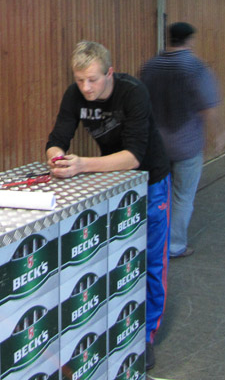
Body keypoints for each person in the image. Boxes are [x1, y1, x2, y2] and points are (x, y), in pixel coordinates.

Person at [45, 41, 171, 370]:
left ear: (109, 73)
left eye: (93, 80)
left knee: (152, 261)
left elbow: (133, 157)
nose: (86, 88)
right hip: (113, 184)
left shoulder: (133, 92)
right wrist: (56, 158)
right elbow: (57, 138)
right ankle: (113, 320)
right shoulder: (75, 95)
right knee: (115, 257)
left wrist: (82, 165)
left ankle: (146, 335)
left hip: (151, 180)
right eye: (79, 80)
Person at [140, 22, 224, 259]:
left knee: (157, 194)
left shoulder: (150, 66)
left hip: (156, 144)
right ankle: (175, 245)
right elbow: (208, 107)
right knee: (183, 196)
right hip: (187, 145)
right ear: (190, 40)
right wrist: (219, 133)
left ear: (169, 38)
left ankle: (150, 242)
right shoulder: (196, 67)